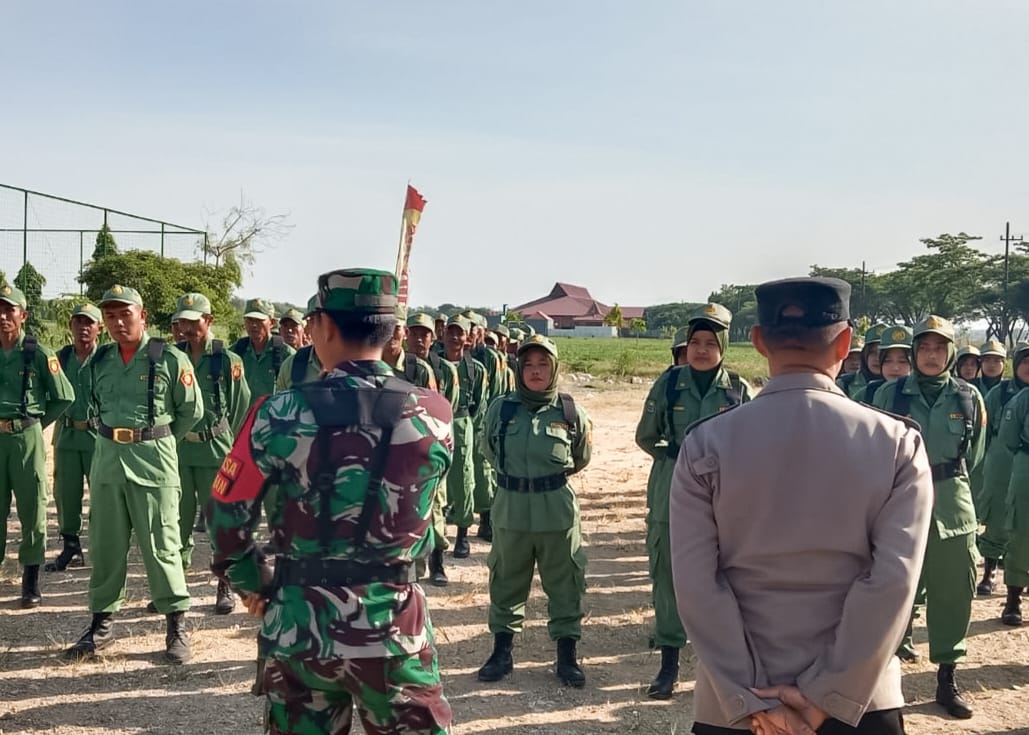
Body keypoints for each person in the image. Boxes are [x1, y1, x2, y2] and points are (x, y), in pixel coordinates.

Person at [671, 277, 933, 735]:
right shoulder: (897, 444)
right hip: (859, 705)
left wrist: (751, 698)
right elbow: (892, 582)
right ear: (846, 343)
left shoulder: (705, 444)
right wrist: (826, 695)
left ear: (757, 342)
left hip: (737, 709)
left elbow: (696, 586)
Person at [208, 268, 454, 734]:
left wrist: (253, 583)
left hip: (300, 631)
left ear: (322, 326)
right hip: (394, 631)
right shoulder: (434, 414)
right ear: (392, 331)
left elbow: (225, 515)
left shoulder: (275, 415)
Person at [64, 284, 203, 664]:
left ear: (142, 315)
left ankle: (176, 625)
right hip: (108, 461)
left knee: (162, 545)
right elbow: (93, 405)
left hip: (153, 462)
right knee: (105, 546)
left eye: (125, 313)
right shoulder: (101, 360)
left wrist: (154, 440)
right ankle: (101, 625)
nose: (118, 321)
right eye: (110, 315)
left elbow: (191, 411)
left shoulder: (169, 358)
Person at [635, 303, 753, 699]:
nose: (701, 350)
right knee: (668, 574)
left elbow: (755, 441)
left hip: (726, 493)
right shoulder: (668, 385)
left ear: (722, 347)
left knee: (728, 575)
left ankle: (724, 667)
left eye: (710, 343)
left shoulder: (738, 389)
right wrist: (681, 460)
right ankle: (669, 662)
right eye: (695, 342)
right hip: (673, 485)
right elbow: (646, 436)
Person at [872, 314, 985, 719]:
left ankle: (946, 678)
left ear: (951, 353)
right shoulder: (889, 394)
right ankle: (886, 683)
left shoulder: (968, 397)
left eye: (939, 348)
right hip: (900, 501)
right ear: (914, 352)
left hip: (953, 506)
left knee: (954, 593)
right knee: (892, 591)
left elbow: (974, 457)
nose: (931, 355)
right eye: (924, 347)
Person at [476, 334, 593, 687]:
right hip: (511, 509)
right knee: (506, 582)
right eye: (528, 364)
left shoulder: (570, 411)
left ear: (554, 368)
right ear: (518, 369)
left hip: (556, 511)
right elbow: (488, 448)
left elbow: (581, 457)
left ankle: (567, 657)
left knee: (565, 585)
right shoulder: (502, 408)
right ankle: (501, 653)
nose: (536, 371)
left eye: (543, 364)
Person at [172, 292, 250, 614]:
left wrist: (221, 434)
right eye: (184, 322)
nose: (189, 329)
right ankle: (175, 584)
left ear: (209, 321)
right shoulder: (171, 357)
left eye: (195, 322)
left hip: (214, 450)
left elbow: (241, 405)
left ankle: (224, 585)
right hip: (178, 450)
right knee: (175, 520)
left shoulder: (227, 360)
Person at [0, 284, 75, 607]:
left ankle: (30, 579)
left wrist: (35, 425)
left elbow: (64, 396)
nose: (3, 317)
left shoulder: (37, 352)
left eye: (9, 310)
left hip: (25, 437)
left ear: (23, 315)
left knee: (32, 508)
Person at [46, 303, 103, 572]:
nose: (83, 328)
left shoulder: (106, 358)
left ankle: (102, 547)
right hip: (67, 435)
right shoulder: (61, 358)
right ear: (70, 325)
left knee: (102, 494)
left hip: (96, 436)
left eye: (89, 323)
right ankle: (71, 547)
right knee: (65, 494)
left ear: (99, 329)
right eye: (78, 322)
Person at [407, 312, 460, 586]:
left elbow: (449, 407)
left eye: (425, 333)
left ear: (434, 337)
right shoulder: (397, 367)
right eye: (414, 333)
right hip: (403, 447)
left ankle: (437, 561)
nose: (419, 338)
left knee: (437, 503)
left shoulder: (445, 371)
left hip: (432, 445)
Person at [977, 343, 1029, 597]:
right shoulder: (999, 393)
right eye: (1025, 362)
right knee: (998, 515)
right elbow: (984, 430)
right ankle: (989, 572)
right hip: (1002, 459)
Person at [443, 315, 487, 558]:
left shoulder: (476, 370)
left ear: (468, 337)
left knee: (463, 480)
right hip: (438, 424)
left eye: (460, 333)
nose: (454, 337)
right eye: (451, 332)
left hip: (463, 424)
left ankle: (462, 534)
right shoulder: (434, 365)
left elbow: (479, 406)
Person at [995, 348, 1029, 626]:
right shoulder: (1022, 400)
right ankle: (1013, 600)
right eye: (1025, 362)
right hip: (1026, 466)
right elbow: (1008, 438)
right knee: (1020, 533)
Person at [232, 298, 295, 408]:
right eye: (250, 320)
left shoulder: (285, 354)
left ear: (272, 322)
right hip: (242, 421)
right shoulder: (237, 350)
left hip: (272, 420)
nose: (254, 325)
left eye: (259, 320)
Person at [837, 323, 886, 399]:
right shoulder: (844, 383)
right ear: (865, 354)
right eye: (872, 352)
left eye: (882, 354)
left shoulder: (900, 387)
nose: (877, 358)